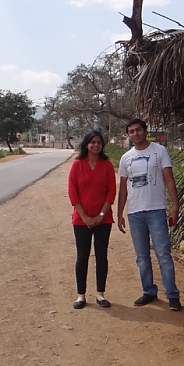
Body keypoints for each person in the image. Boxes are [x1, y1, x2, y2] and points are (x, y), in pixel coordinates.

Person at [116, 118, 182, 311]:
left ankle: (172, 295)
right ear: (128, 135)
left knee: (163, 254)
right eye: (131, 131)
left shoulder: (159, 151)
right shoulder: (125, 157)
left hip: (156, 210)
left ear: (145, 131)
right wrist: (120, 213)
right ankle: (149, 291)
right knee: (142, 256)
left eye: (138, 130)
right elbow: (123, 189)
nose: (135, 134)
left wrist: (175, 206)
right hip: (135, 212)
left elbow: (169, 180)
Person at [68, 130, 117, 309]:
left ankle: (100, 294)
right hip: (81, 220)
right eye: (93, 142)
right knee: (82, 256)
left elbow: (111, 192)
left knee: (101, 256)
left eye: (99, 142)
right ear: (86, 144)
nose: (96, 145)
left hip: (103, 220)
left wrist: (100, 215)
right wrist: (85, 216)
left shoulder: (107, 166)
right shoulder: (77, 165)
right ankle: (81, 295)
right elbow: (73, 193)